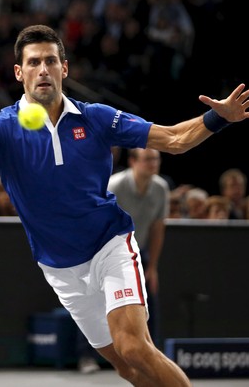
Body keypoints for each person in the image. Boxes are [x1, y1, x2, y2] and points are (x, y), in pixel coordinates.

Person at [0, 25, 249, 386]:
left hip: (110, 245)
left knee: (135, 347)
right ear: (20, 73)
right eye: (33, 62)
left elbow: (174, 139)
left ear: (64, 68)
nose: (43, 69)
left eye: (51, 60)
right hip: (60, 268)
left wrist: (216, 118)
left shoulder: (99, 118)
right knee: (123, 364)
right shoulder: (0, 126)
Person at [107, 148, 170, 349]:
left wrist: (153, 267)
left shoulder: (161, 188)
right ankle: (87, 356)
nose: (153, 164)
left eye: (156, 159)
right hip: (105, 251)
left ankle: (152, 352)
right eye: (148, 159)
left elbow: (158, 227)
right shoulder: (114, 185)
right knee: (101, 303)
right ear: (133, 161)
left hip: (138, 252)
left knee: (148, 299)